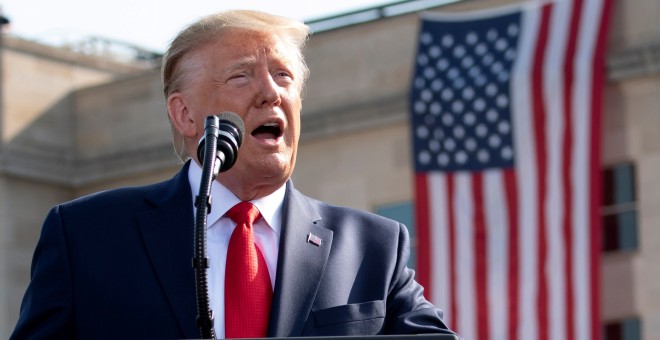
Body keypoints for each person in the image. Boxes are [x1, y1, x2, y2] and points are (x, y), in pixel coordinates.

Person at [11, 10, 457, 339]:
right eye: (241, 77)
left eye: (284, 76)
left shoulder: (373, 246)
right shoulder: (87, 235)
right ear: (184, 114)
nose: (270, 92)